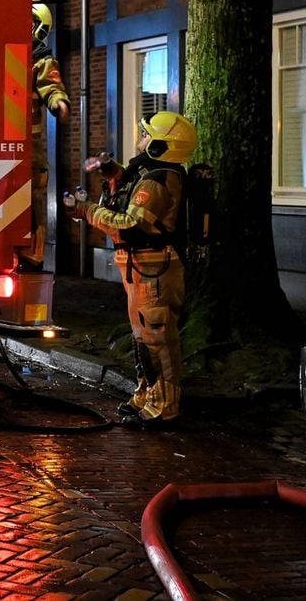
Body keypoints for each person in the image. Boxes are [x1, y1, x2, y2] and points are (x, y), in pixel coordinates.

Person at [64, 110, 197, 429]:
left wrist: (86, 210)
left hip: (155, 268)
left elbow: (130, 225)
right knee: (142, 335)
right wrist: (111, 172)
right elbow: (129, 185)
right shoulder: (154, 173)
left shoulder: (159, 180)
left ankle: (165, 406)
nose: (140, 139)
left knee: (158, 335)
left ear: (160, 145)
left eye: (146, 135)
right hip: (142, 266)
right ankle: (147, 394)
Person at [20, 3, 70, 269]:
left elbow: (51, 85)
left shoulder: (41, 59)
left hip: (29, 145)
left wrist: (59, 102)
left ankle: (33, 253)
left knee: (34, 198)